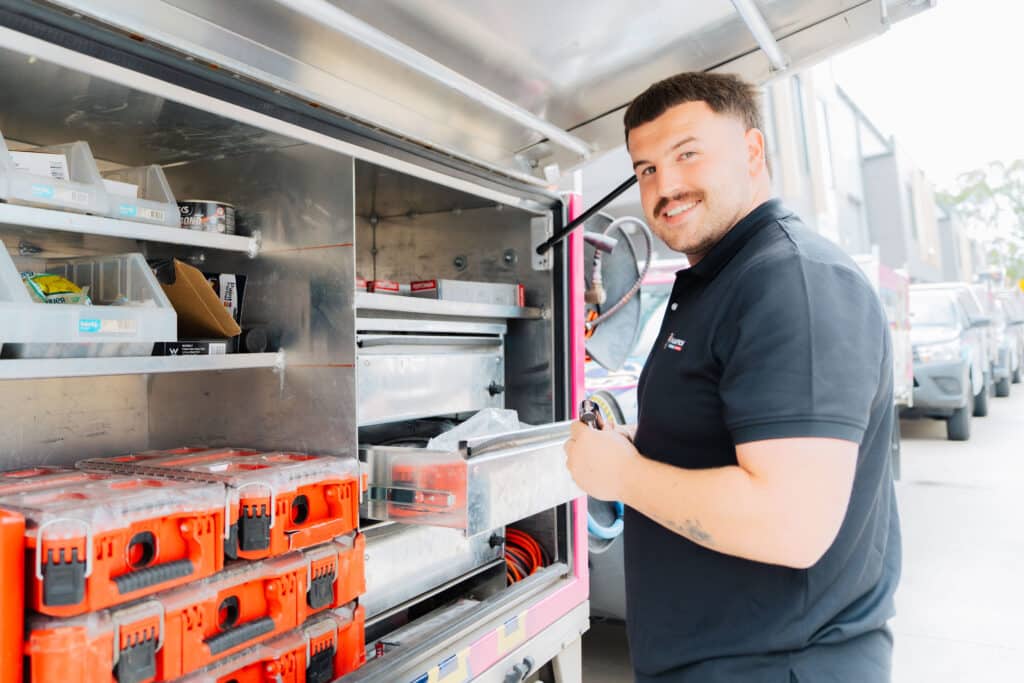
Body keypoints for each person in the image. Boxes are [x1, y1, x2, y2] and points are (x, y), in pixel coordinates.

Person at [564, 72, 902, 682]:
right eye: (645, 170)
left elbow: (789, 523)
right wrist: (639, 438)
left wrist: (622, 475)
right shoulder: (723, 278)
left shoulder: (793, 283)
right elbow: (727, 425)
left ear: (752, 151)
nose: (665, 186)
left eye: (686, 154)